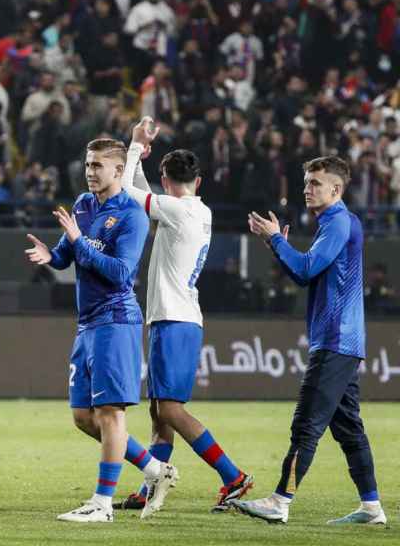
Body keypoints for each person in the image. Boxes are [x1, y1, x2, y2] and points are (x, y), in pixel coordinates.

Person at [24, 138, 174, 523]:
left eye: (97, 166)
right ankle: (155, 470)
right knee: (82, 416)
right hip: (87, 322)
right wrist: (51, 255)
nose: (90, 172)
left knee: (109, 413)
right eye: (87, 165)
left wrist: (78, 243)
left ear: (119, 170)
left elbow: (122, 273)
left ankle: (101, 504)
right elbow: (66, 254)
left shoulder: (132, 215)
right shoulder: (83, 205)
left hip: (116, 318)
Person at [232, 156, 385, 525]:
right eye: (305, 182)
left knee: (306, 424)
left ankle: (281, 500)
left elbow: (304, 270)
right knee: (349, 429)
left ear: (336, 189)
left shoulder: (337, 223)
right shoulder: (336, 223)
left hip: (334, 340)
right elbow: (305, 272)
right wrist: (277, 246)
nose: (306, 188)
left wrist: (273, 240)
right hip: (342, 340)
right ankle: (372, 507)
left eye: (315, 183)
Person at [113, 117, 253, 513]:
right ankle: (151, 485)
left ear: (165, 177)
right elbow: (143, 193)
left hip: (176, 320)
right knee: (160, 412)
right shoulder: (193, 209)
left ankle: (233, 476)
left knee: (171, 409)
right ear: (199, 180)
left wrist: (135, 145)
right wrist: (138, 157)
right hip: (172, 318)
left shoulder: (179, 211)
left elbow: (127, 194)